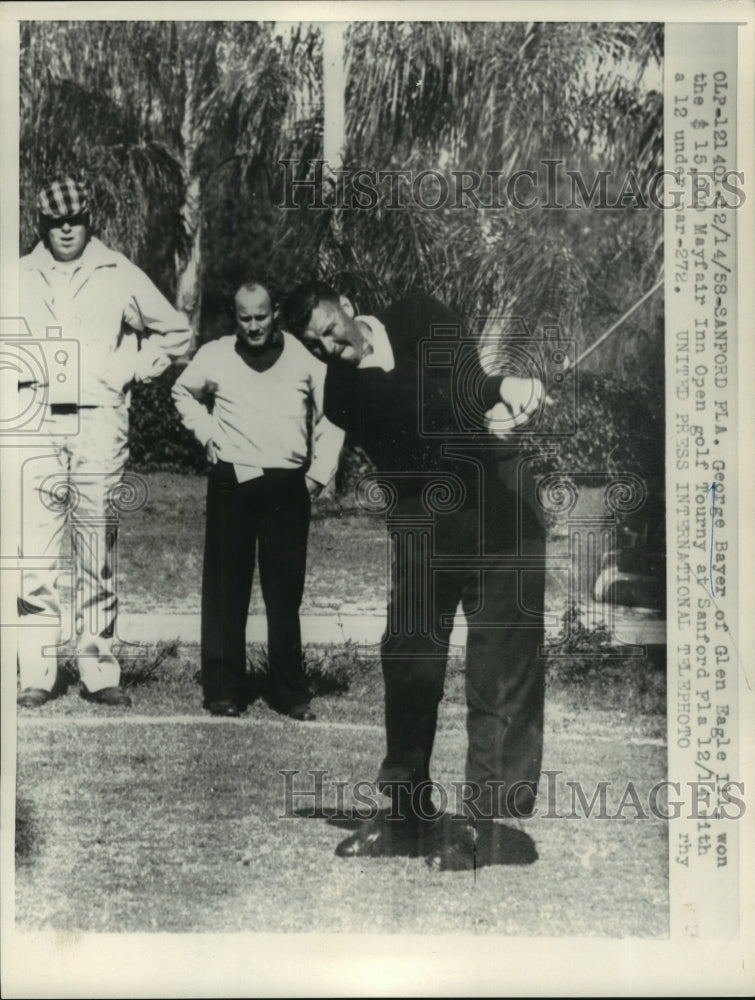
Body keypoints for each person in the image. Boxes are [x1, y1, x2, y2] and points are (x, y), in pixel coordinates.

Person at [282, 281, 546, 869]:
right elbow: (427, 407)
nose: (328, 347)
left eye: (328, 329)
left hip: (499, 501)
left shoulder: (423, 311)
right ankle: (402, 812)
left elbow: (464, 376)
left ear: (348, 306)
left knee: (502, 658)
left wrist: (505, 391)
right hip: (425, 514)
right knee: (409, 657)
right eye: (313, 344)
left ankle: (486, 822)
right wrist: (489, 404)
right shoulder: (344, 395)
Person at [17, 175, 192, 708]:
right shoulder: (19, 274)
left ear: (89, 218)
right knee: (36, 555)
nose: (65, 229)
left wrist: (130, 370)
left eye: (74, 219)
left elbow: (177, 332)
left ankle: (98, 671)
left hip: (98, 422)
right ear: (41, 224)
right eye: (55, 221)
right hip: (35, 424)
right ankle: (37, 674)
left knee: (96, 549)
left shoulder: (117, 271)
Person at [172, 280, 344, 720]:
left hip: (288, 485)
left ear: (275, 314)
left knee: (284, 594)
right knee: (226, 589)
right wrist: (209, 436)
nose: (253, 326)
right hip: (233, 481)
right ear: (235, 317)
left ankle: (290, 691)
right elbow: (182, 392)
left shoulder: (305, 359)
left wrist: (318, 474)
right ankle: (223, 689)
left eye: (261, 317)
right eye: (244, 318)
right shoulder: (214, 354)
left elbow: (333, 417)